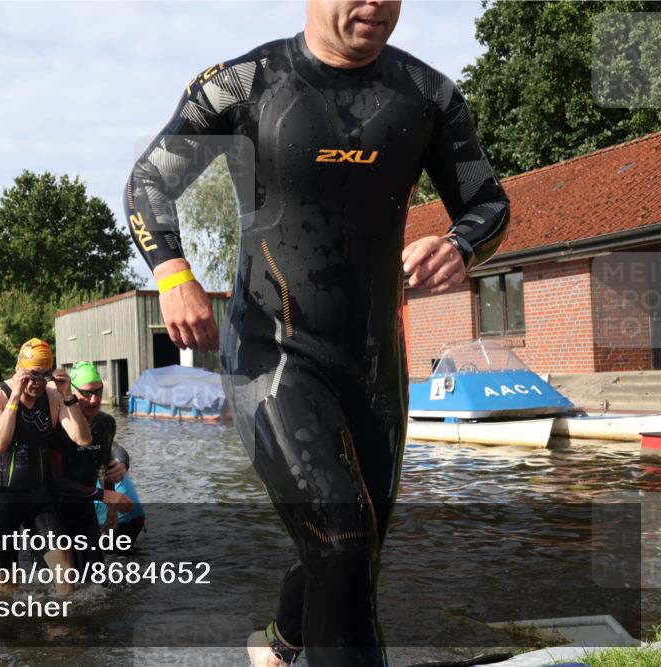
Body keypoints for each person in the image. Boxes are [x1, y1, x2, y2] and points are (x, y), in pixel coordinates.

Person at [124, 2, 509, 664]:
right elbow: (151, 180)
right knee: (341, 535)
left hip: (372, 363)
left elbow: (488, 203)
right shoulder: (247, 83)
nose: (376, 6)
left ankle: (277, 644)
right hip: (271, 353)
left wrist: (461, 245)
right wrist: (172, 272)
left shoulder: (427, 94)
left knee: (356, 545)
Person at [0, 338, 92, 597]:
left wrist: (68, 398)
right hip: (0, 496)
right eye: (31, 375)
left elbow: (83, 439)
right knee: (7, 581)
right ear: (19, 370)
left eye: (44, 375)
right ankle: (8, 629)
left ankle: (62, 626)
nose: (37, 383)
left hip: (37, 494)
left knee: (65, 566)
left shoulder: (53, 398)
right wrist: (15, 397)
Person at [47, 362, 133, 570]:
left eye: (98, 392)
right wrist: (103, 496)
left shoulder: (106, 423)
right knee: (58, 585)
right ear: (71, 392)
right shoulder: (57, 425)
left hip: (85, 507)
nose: (93, 400)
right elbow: (53, 481)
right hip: (52, 511)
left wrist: (112, 511)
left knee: (96, 581)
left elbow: (107, 467)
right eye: (86, 394)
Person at [94, 444, 145, 546]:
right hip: (133, 515)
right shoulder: (98, 436)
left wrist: (122, 463)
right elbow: (114, 447)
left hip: (106, 522)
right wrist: (123, 462)